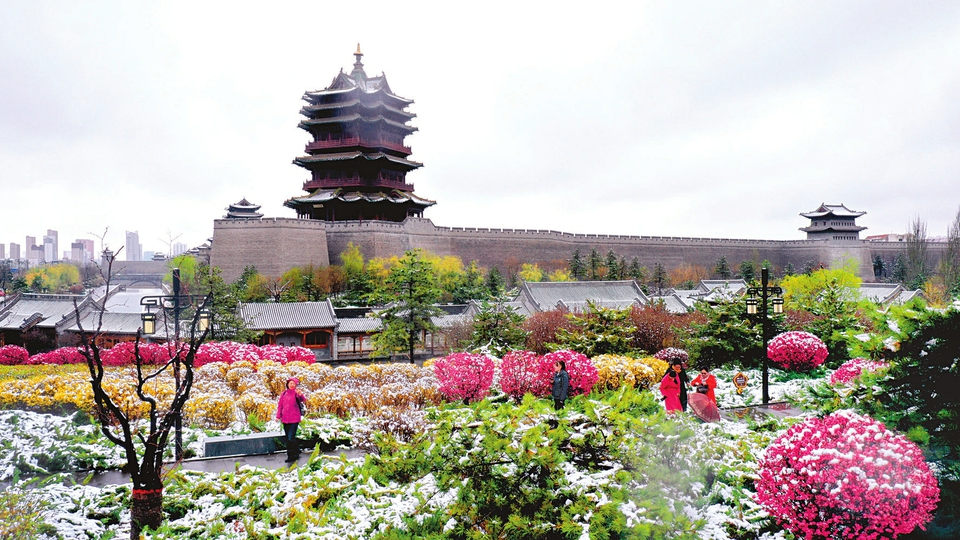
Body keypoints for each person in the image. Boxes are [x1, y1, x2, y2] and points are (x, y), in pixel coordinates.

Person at [276, 377, 306, 463]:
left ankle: (291, 455)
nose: (292, 385)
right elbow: (280, 405)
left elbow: (302, 399)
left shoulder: (296, 393)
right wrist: (278, 416)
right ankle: (297, 449)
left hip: (294, 419)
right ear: (287, 384)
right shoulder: (284, 393)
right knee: (290, 437)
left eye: (293, 384)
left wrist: (300, 394)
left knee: (290, 438)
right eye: (290, 383)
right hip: (285, 419)